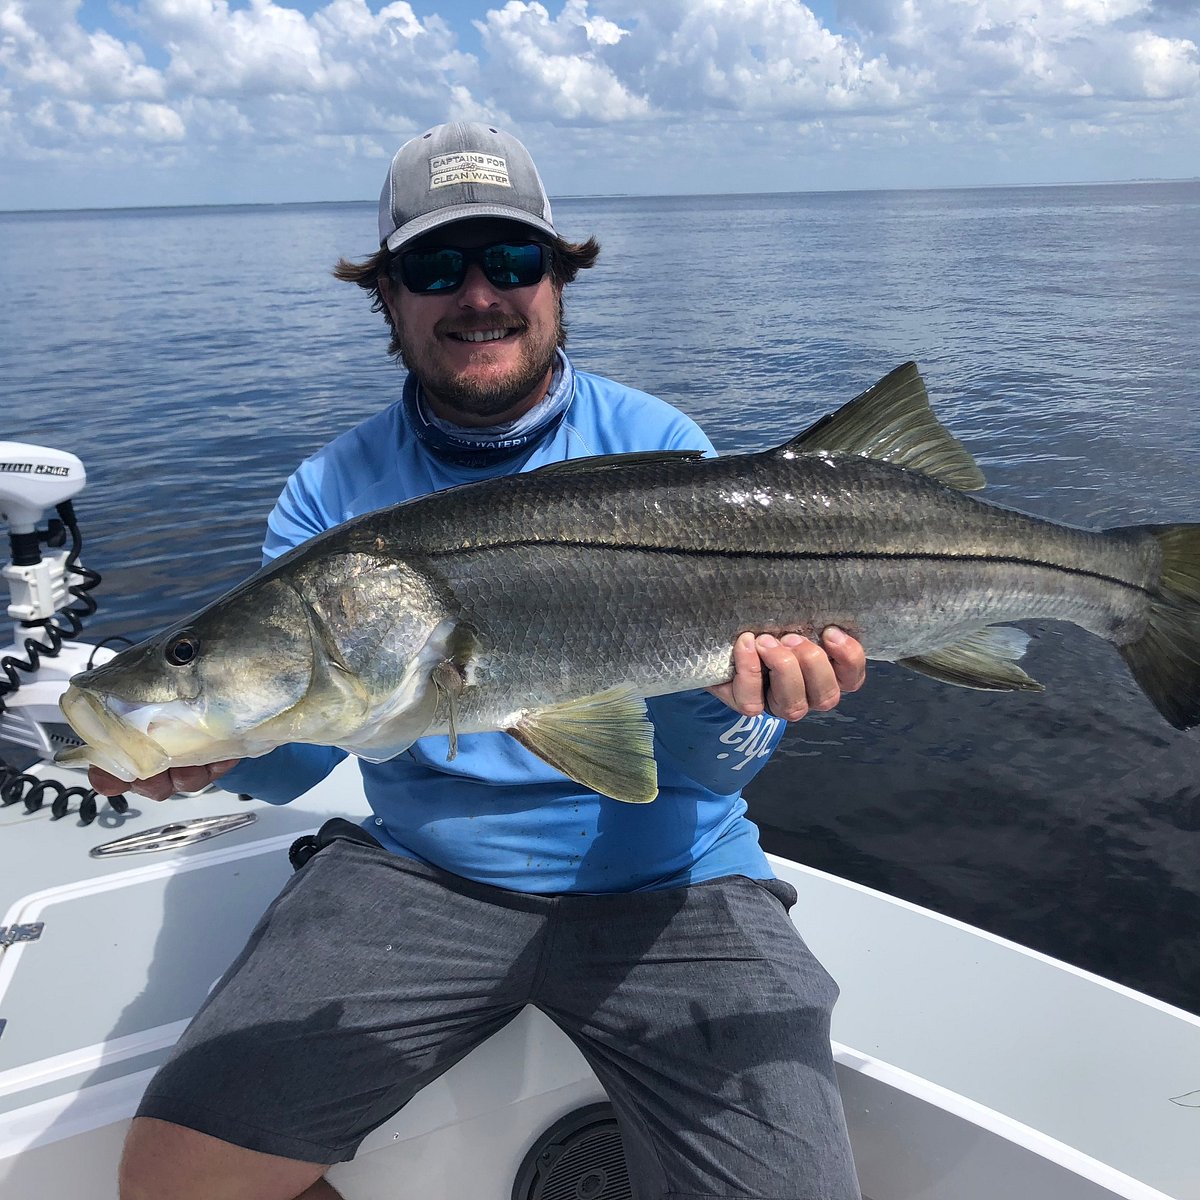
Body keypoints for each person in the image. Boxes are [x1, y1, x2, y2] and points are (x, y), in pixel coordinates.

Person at [91, 122, 868, 1200]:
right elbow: (300, 746)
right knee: (174, 1183)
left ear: (556, 278)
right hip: (420, 877)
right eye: (433, 266)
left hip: (675, 883)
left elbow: (713, 771)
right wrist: (219, 755)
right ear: (389, 295)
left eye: (511, 260)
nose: (479, 296)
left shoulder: (661, 450)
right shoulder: (331, 492)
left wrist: (742, 702)